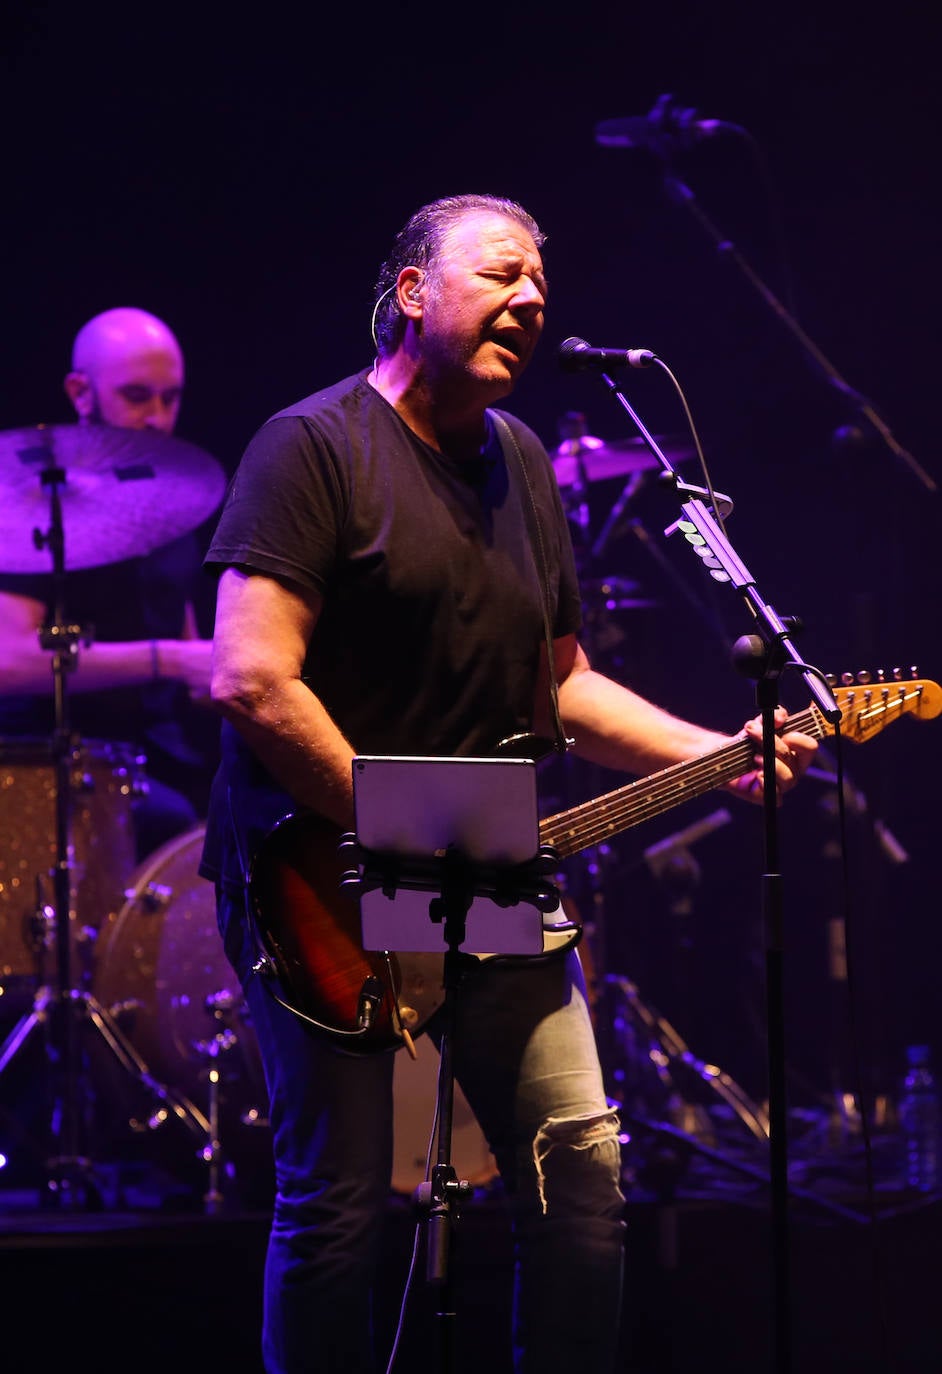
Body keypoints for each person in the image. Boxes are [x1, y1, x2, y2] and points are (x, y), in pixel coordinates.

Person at [199, 193, 818, 1374]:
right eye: (500, 274)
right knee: (337, 1208)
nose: (532, 298)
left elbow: (561, 683)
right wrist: (406, 825)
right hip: (316, 867)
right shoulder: (311, 446)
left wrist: (718, 752)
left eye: (541, 280)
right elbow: (251, 680)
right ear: (413, 293)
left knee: (578, 1178)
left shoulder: (521, 460)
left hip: (481, 859)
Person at [0, 306, 218, 863]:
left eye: (171, 398)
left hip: (159, 756)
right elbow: (9, 660)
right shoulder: (32, 508)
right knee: (172, 819)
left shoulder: (175, 505)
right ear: (81, 392)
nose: (158, 418)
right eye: (137, 397)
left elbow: (193, 662)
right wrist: (169, 659)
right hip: (57, 759)